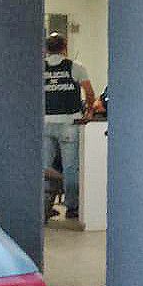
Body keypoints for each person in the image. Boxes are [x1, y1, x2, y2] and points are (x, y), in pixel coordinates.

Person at [43, 32, 96, 219]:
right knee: (70, 167)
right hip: (69, 123)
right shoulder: (75, 66)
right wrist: (89, 112)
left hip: (45, 123)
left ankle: (44, 206)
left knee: (45, 167)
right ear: (65, 48)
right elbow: (89, 92)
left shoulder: (39, 68)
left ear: (46, 49)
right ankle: (72, 207)